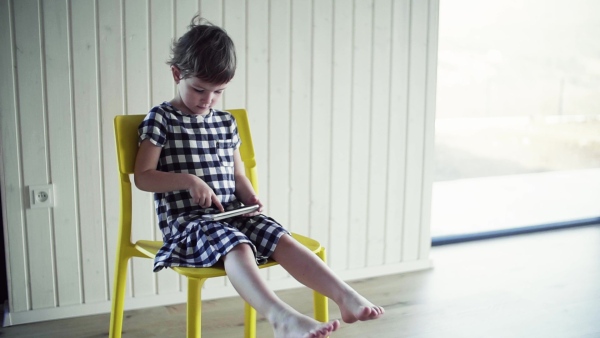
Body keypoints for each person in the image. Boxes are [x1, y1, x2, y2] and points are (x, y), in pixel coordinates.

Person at [134, 16, 384, 338]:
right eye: (199, 89)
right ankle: (281, 318)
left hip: (233, 214)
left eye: (218, 92)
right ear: (176, 74)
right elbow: (143, 177)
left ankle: (345, 296)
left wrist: (249, 196)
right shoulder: (162, 118)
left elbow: (237, 173)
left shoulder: (225, 123)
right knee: (239, 246)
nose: (207, 100)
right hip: (191, 224)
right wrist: (188, 181)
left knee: (279, 237)